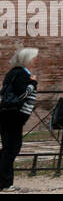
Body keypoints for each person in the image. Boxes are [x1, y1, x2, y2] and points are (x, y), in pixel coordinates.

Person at [0, 47, 38, 191]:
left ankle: (5, 181)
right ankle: (5, 183)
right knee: (12, 148)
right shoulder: (22, 74)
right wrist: (33, 84)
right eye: (34, 57)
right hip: (13, 115)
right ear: (26, 59)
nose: (35, 60)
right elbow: (22, 95)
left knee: (9, 148)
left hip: (8, 115)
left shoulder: (13, 73)